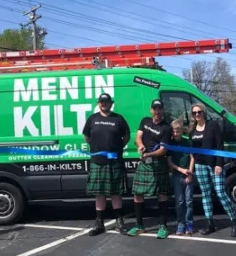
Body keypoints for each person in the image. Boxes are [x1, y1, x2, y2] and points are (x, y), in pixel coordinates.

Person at [189, 102, 236, 237]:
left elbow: (219, 145)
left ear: (204, 112)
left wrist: (219, 164)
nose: (197, 115)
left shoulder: (213, 125)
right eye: (194, 113)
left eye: (199, 112)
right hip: (200, 165)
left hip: (214, 164)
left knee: (220, 193)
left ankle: (234, 222)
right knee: (205, 195)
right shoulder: (192, 129)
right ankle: (209, 224)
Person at [83, 93, 130, 236]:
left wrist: (116, 148)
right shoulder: (92, 119)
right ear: (98, 103)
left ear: (111, 103)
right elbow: (86, 136)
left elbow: (126, 136)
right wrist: (96, 148)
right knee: (100, 193)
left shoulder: (118, 118)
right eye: (101, 102)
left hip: (114, 161)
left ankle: (119, 222)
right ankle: (99, 223)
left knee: (116, 193)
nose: (104, 104)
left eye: (106, 102)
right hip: (98, 162)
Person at [127, 99, 172, 239]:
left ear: (162, 110)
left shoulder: (166, 127)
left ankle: (163, 226)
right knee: (137, 194)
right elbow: (138, 137)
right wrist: (140, 146)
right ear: (151, 110)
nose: (157, 111)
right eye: (154, 109)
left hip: (158, 163)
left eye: (159, 109)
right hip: (144, 164)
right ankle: (139, 225)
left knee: (161, 194)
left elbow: (163, 150)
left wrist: (149, 154)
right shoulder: (145, 121)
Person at [167, 119, 195, 235]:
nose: (175, 133)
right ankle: (180, 223)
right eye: (173, 131)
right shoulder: (170, 144)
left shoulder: (187, 142)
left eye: (177, 131)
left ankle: (189, 223)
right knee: (179, 201)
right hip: (177, 175)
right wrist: (181, 170)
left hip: (188, 175)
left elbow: (192, 158)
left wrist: (190, 173)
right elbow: (169, 162)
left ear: (181, 130)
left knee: (189, 201)